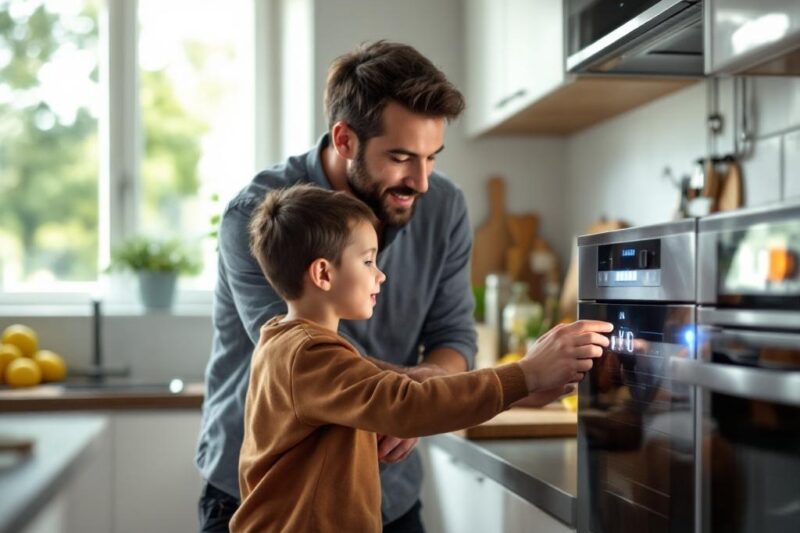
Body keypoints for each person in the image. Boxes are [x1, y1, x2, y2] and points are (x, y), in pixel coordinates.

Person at [195, 40, 609, 533]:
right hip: (269, 504)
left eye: (432, 157)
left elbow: (453, 336)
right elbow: (327, 363)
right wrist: (511, 383)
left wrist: (435, 385)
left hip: (382, 492)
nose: (423, 182)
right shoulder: (265, 217)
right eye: (401, 157)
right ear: (344, 139)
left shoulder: (444, 206)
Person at [229, 184, 611, 532]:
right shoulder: (311, 354)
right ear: (323, 274)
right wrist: (524, 374)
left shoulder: (285, 340)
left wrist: (523, 388)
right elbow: (409, 402)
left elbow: (392, 395)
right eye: (367, 261)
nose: (381, 276)